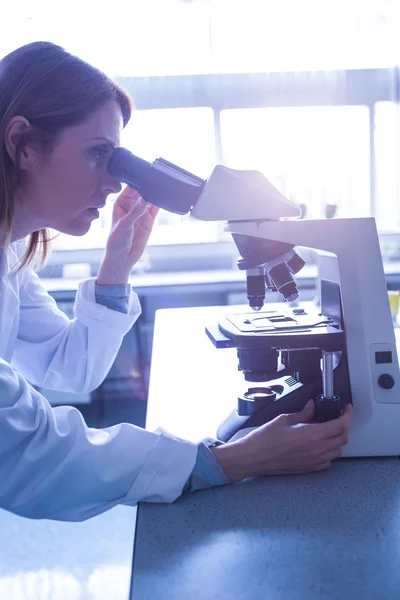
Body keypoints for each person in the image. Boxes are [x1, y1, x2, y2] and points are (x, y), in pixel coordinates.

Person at [0, 41, 352, 522]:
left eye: (117, 158)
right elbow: (24, 455)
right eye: (98, 154)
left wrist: (116, 266)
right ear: (22, 144)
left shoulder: (11, 253)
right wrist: (230, 460)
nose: (111, 181)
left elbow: (69, 366)